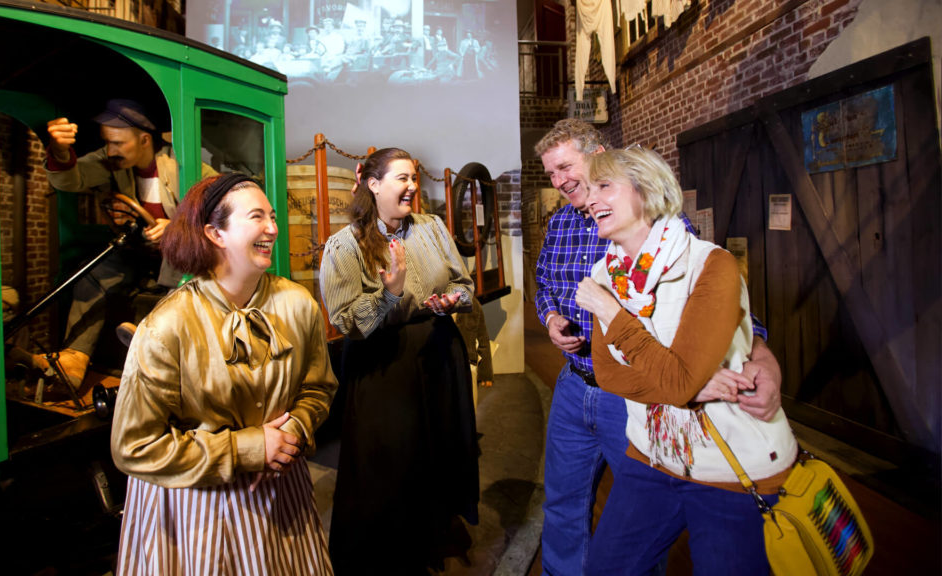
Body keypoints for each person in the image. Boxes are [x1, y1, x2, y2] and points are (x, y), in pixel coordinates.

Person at [533, 118, 783, 576]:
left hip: (640, 404)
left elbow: (717, 304)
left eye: (566, 167)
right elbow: (545, 284)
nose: (560, 181)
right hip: (579, 383)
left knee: (658, 531)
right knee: (568, 504)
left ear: (600, 155)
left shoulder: (665, 230)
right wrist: (550, 316)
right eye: (550, 173)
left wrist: (759, 354)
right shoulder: (566, 228)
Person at [110, 172, 338, 575]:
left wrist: (293, 433)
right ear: (215, 233)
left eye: (272, 216)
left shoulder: (299, 304)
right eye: (257, 217)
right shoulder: (166, 327)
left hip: (281, 498)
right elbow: (135, 447)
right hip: (196, 510)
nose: (273, 227)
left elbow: (318, 388)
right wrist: (248, 450)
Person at [319, 147, 479, 574]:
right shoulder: (345, 245)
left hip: (439, 354)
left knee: (438, 451)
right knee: (389, 462)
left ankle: (432, 537)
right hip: (383, 366)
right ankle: (389, 556)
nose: (411, 187)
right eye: (401, 178)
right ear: (373, 184)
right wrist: (389, 294)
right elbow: (346, 321)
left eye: (413, 178)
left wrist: (452, 300)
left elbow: (466, 284)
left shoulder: (431, 227)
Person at [42, 99, 217, 389]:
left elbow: (220, 207)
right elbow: (71, 180)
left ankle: (155, 346)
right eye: (107, 143)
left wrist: (177, 228)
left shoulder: (183, 164)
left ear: (144, 139)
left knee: (176, 276)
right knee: (93, 275)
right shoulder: (112, 160)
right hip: (138, 250)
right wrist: (60, 152)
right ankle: (73, 358)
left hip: (178, 254)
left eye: (118, 143)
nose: (110, 151)